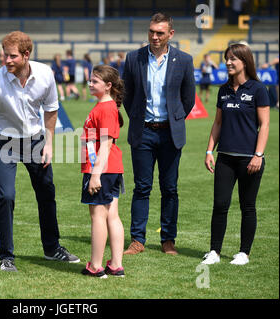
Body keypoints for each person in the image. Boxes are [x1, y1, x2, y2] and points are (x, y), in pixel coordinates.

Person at [0, 31, 79, 272]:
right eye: (6, 55)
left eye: (12, 56)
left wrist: (48, 145)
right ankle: (6, 257)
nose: (7, 60)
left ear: (26, 55)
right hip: (5, 142)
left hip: (36, 141)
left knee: (47, 192)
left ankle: (52, 248)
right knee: (7, 196)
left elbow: (51, 110)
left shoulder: (45, 74)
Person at [122, 13, 195, 256]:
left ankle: (168, 240)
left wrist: (173, 120)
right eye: (151, 31)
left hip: (170, 135)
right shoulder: (134, 58)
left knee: (170, 188)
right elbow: (127, 95)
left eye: (160, 33)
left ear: (170, 34)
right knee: (142, 187)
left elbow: (188, 99)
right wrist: (138, 119)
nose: (154, 36)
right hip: (142, 133)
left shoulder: (184, 60)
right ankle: (137, 240)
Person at [202, 43, 270, 266]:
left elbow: (265, 124)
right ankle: (214, 251)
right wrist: (209, 150)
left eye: (233, 59)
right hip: (225, 158)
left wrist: (258, 155)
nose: (228, 62)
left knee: (247, 205)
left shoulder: (258, 89)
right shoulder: (223, 90)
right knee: (220, 204)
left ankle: (244, 253)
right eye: (226, 58)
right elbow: (218, 123)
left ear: (244, 61)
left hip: (250, 159)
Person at [80, 65, 125, 278]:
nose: (90, 84)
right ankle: (115, 265)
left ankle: (96, 266)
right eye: (90, 80)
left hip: (102, 169)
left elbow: (106, 145)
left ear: (108, 86)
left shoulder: (106, 108)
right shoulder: (105, 106)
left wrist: (95, 174)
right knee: (111, 215)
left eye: (95, 81)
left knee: (98, 215)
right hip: (110, 167)